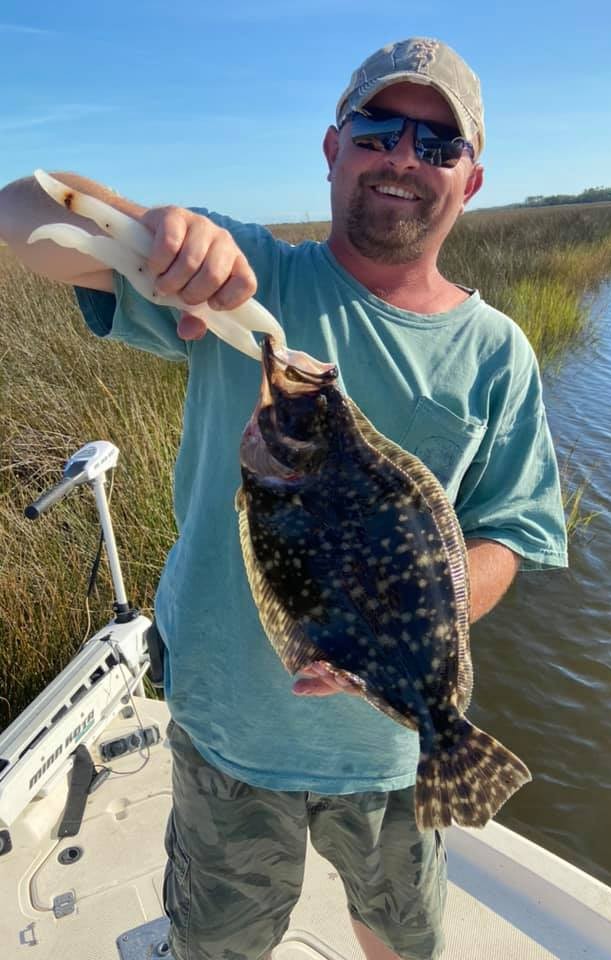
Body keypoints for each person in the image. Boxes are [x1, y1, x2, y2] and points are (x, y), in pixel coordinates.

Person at [0, 37, 568, 960]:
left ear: (470, 180)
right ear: (334, 146)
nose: (403, 158)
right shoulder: (244, 284)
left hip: (391, 754)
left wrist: (421, 612)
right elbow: (24, 215)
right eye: (380, 128)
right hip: (227, 729)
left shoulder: (498, 351)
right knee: (219, 941)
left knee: (402, 936)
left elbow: (515, 526)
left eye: (437, 144)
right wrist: (170, 234)